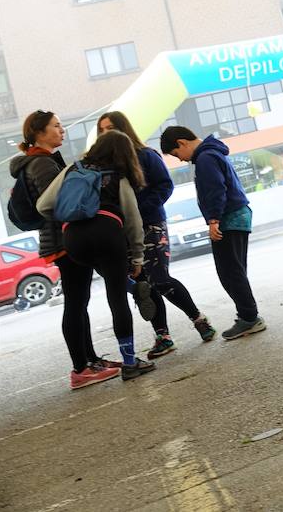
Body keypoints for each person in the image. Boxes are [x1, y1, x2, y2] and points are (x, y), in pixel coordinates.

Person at [9, 111, 121, 389]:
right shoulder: (42, 163)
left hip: (62, 239)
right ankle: (81, 368)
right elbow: (61, 204)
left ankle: (91, 360)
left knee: (79, 301)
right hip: (63, 240)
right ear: (39, 132)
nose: (62, 130)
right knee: (75, 302)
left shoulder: (41, 161)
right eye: (56, 126)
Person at [36, 130, 156, 381]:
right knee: (116, 296)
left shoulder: (72, 169)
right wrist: (136, 258)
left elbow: (43, 205)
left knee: (95, 280)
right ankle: (130, 362)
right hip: (107, 233)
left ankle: (131, 286)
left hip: (74, 241)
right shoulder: (118, 176)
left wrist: (72, 213)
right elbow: (133, 220)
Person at [98, 111, 215, 356]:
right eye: (102, 130)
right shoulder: (103, 166)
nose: (106, 133)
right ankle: (163, 337)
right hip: (123, 232)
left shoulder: (145, 155)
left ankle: (199, 320)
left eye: (110, 128)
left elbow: (165, 186)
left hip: (151, 225)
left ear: (123, 128)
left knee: (160, 278)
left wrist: (139, 210)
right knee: (142, 286)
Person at [158, 128, 264, 342]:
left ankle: (249, 317)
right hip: (238, 215)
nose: (180, 160)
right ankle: (248, 316)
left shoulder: (205, 158)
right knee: (235, 270)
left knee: (230, 272)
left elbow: (215, 189)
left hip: (228, 218)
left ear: (182, 143)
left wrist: (213, 220)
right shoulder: (213, 152)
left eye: (176, 154)